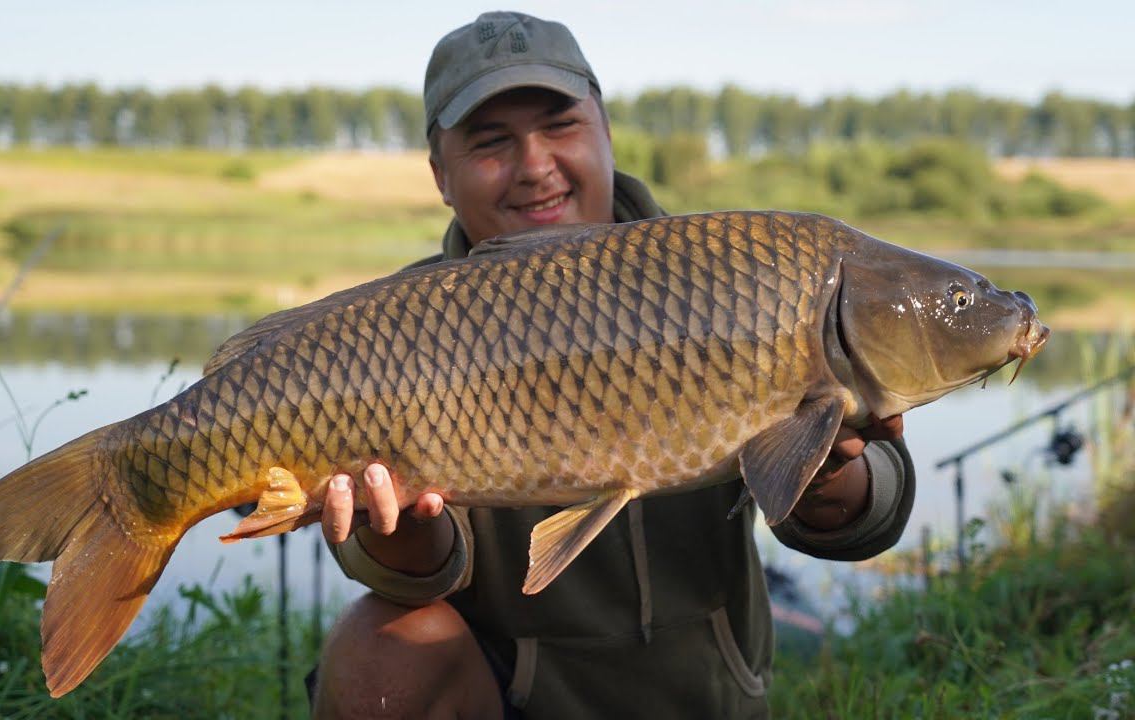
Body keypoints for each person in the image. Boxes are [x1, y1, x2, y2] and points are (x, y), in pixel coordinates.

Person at [310, 11, 913, 719]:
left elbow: (865, 514)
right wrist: (403, 523)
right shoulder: (402, 331)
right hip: (507, 701)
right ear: (441, 175)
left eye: (560, 126)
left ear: (604, 132)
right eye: (491, 141)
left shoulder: (731, 275)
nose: (535, 166)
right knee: (378, 642)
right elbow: (420, 576)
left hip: (707, 701)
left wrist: (830, 467)